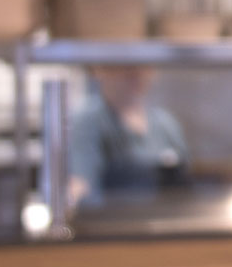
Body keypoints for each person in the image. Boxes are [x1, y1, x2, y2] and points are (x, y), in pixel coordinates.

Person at [67, 65, 190, 210]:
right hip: (112, 225)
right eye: (126, 66)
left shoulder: (165, 123)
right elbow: (83, 186)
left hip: (164, 222)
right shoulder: (89, 119)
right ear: (101, 71)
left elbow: (186, 188)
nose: (136, 74)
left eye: (143, 67)